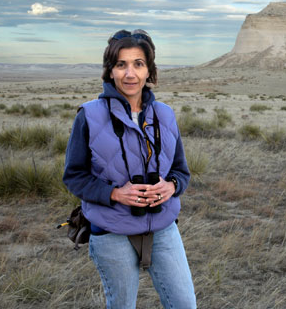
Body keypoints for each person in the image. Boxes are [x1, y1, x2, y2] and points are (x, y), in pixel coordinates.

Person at [63, 29, 196, 309]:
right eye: (120, 64)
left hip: (162, 227)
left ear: (150, 71)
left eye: (138, 64)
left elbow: (181, 171)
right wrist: (115, 194)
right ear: (110, 71)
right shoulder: (89, 115)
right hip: (111, 231)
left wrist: (171, 185)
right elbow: (74, 176)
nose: (130, 73)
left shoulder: (166, 115)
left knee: (184, 304)